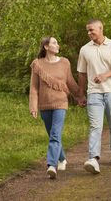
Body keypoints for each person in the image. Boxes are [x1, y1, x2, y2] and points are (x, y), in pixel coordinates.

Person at [29, 36, 86, 179]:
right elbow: (34, 88)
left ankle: (51, 165)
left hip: (61, 103)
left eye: (57, 43)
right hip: (44, 105)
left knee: (55, 135)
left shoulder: (64, 62)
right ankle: (62, 158)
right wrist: (33, 106)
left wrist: (80, 96)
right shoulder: (37, 64)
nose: (58, 45)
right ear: (46, 47)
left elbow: (71, 82)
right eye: (54, 43)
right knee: (53, 135)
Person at [77, 19, 111, 174]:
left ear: (101, 28)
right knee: (95, 126)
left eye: (91, 30)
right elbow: (82, 73)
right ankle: (93, 159)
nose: (89, 33)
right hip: (93, 93)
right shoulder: (84, 50)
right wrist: (80, 94)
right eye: (87, 31)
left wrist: (105, 75)